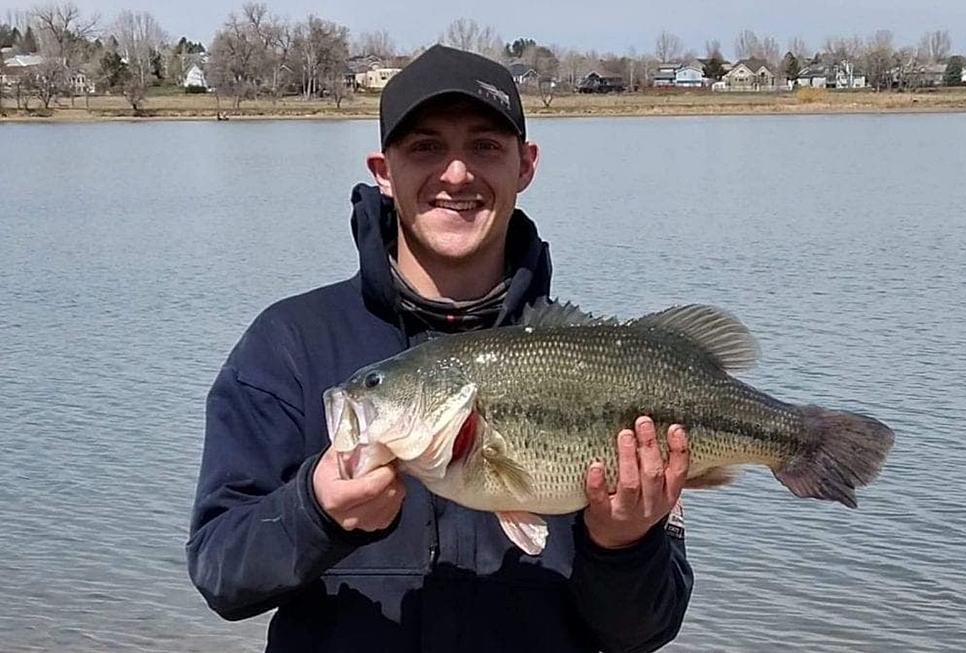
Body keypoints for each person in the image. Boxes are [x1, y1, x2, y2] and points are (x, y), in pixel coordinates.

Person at [187, 44, 693, 653]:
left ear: (525, 165)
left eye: (484, 146)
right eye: (426, 147)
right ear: (382, 169)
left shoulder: (599, 363)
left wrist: (623, 544)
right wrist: (315, 512)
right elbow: (219, 574)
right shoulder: (289, 345)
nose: (457, 174)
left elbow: (643, 633)